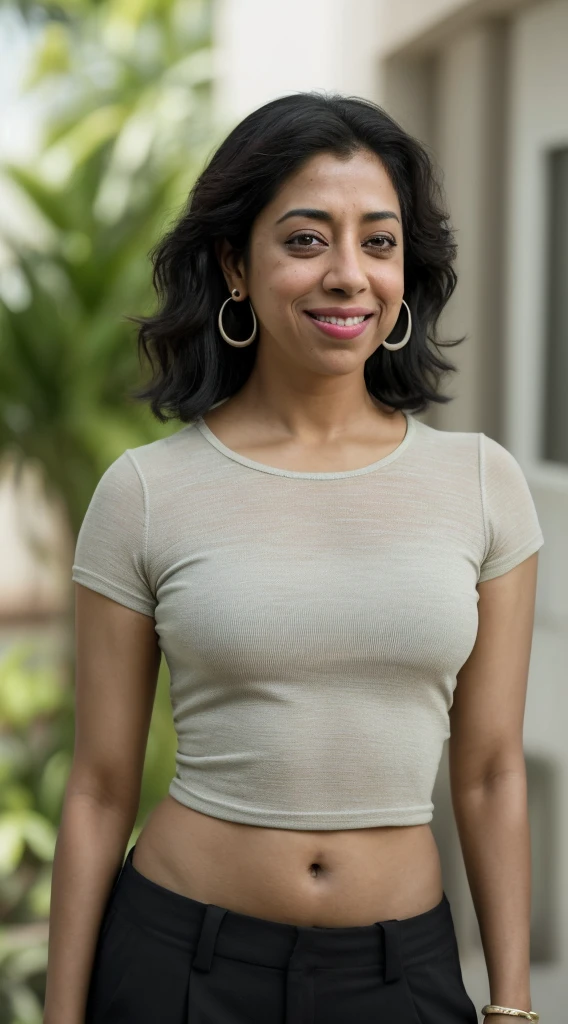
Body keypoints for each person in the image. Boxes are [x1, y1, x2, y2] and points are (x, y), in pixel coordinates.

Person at [44, 93, 544, 1024]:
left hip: (399, 975)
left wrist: (512, 1005)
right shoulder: (145, 492)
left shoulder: (482, 483)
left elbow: (489, 772)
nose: (348, 275)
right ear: (236, 264)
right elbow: (100, 786)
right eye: (307, 240)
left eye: (379, 242)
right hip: (177, 966)